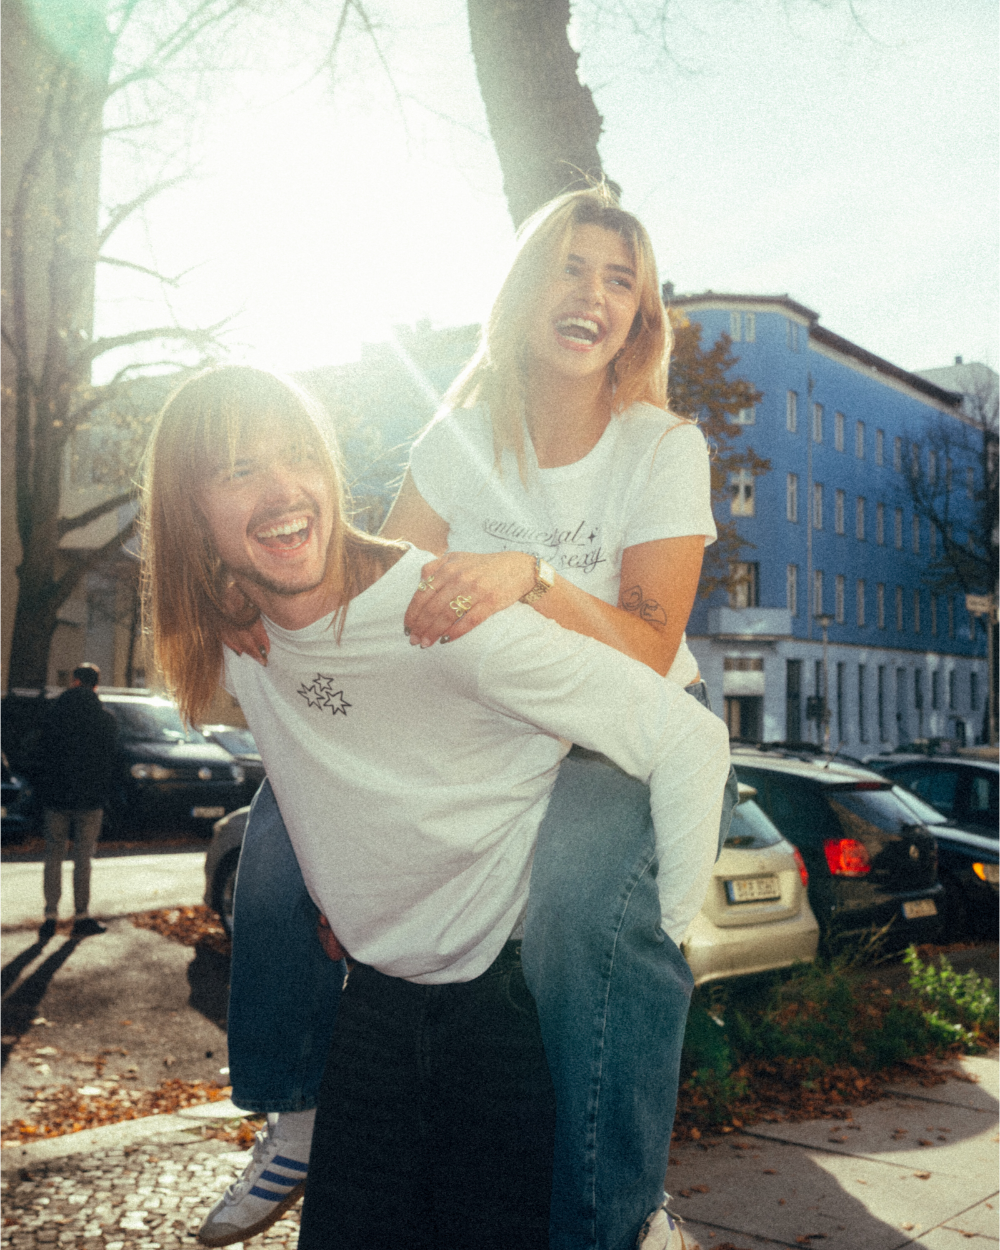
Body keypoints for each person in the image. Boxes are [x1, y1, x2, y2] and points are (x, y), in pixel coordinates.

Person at [209, 186, 737, 1250]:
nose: (591, 294)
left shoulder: (659, 445)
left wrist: (529, 576)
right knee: (271, 835)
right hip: (484, 721)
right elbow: (381, 597)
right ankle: (297, 1106)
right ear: (526, 288)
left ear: (639, 320)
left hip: (608, 734)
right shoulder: (456, 439)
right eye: (570, 267)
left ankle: (625, 1205)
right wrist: (270, 607)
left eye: (619, 280)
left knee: (585, 906)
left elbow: (644, 638)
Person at [34, 663, 118, 940]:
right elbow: (111, 761)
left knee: (53, 855)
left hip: (56, 796)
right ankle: (81, 915)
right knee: (83, 857)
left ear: (74, 682)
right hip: (90, 798)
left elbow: (42, 754)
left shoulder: (52, 714)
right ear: (96, 685)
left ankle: (50, 915)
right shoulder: (106, 719)